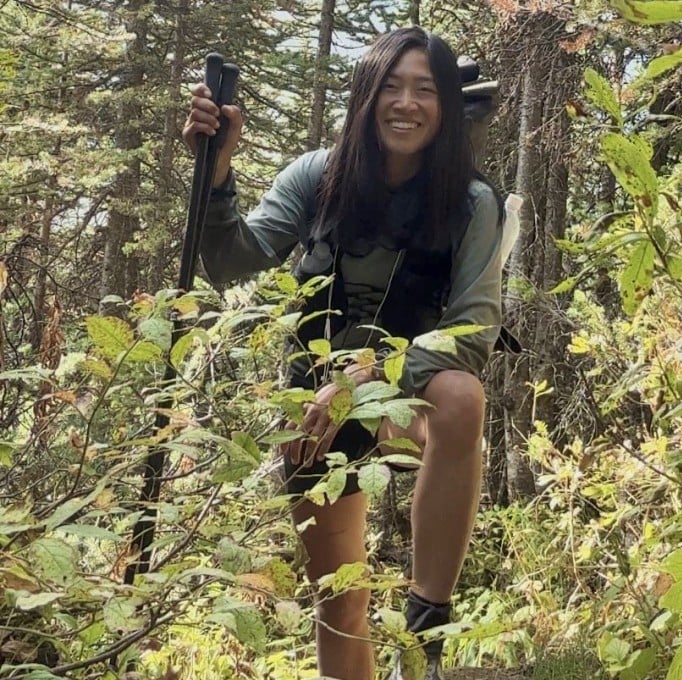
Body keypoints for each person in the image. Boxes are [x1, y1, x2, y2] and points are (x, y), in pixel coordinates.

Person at [182, 27, 503, 680]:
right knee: (340, 603)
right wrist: (216, 178)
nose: (406, 103)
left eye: (424, 90)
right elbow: (236, 269)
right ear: (365, 97)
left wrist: (369, 378)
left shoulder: (471, 203)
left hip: (409, 403)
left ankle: (426, 626)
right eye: (391, 86)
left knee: (461, 396)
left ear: (445, 106)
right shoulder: (317, 176)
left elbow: (475, 329)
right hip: (315, 409)